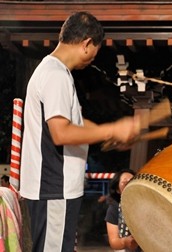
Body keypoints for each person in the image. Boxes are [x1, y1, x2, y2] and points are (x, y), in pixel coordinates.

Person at [19, 12, 141, 252]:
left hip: (53, 188)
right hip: (53, 187)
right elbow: (61, 133)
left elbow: (76, 122)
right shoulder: (55, 75)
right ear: (86, 43)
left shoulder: (55, 72)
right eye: (94, 51)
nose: (93, 59)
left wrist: (111, 135)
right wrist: (112, 129)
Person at [105, 169, 140, 252]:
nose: (129, 184)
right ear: (117, 190)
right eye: (125, 183)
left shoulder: (145, 204)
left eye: (132, 181)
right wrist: (125, 242)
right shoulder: (114, 208)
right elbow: (114, 242)